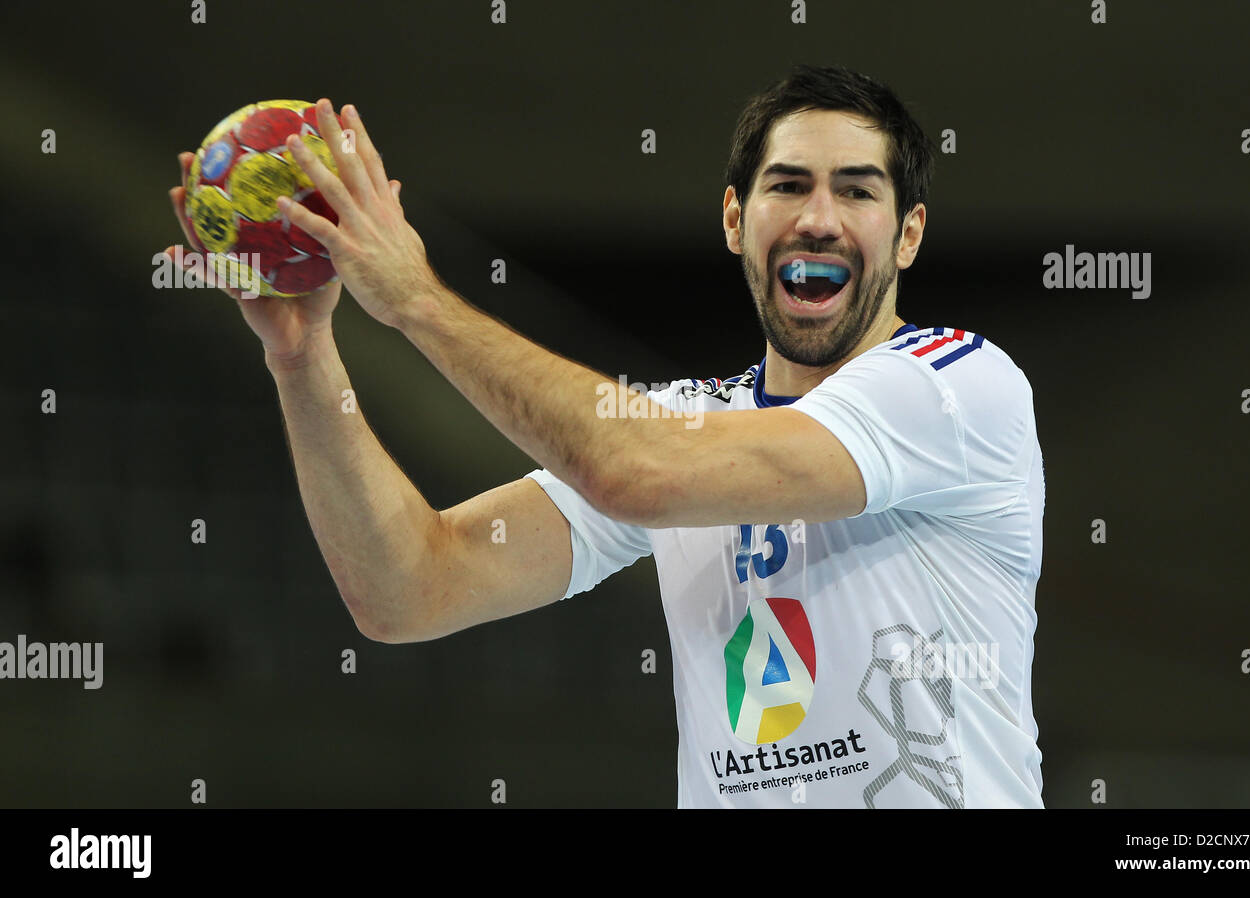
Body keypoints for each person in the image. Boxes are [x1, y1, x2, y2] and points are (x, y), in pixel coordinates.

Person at [164, 64, 1045, 808]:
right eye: (788, 185)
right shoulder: (685, 422)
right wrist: (304, 357)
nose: (819, 217)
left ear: (908, 237)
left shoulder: (959, 387)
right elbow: (410, 590)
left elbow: (641, 474)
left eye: (857, 190)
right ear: (736, 220)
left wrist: (420, 301)